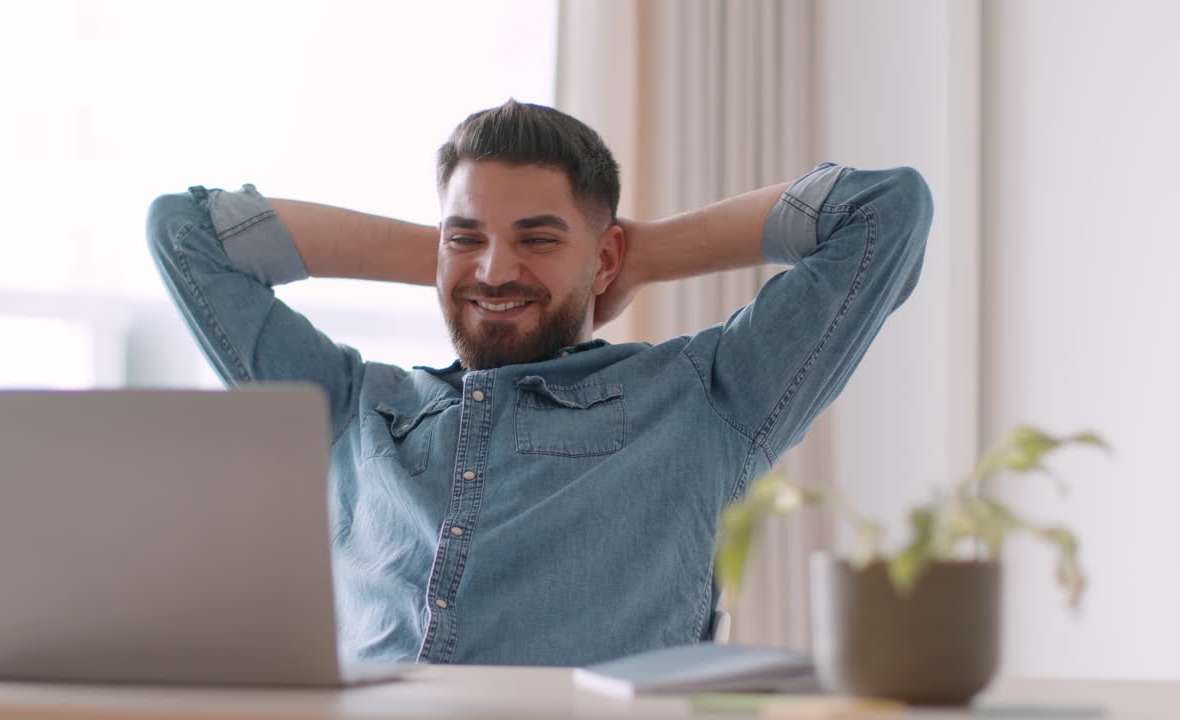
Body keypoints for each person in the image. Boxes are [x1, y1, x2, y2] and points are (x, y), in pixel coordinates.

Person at [147, 100, 931, 667]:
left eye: (538, 238)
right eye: (469, 238)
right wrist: (454, 259)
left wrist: (635, 253)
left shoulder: (704, 397)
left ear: (606, 258)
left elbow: (882, 211)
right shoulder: (353, 408)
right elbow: (185, 233)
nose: (495, 269)